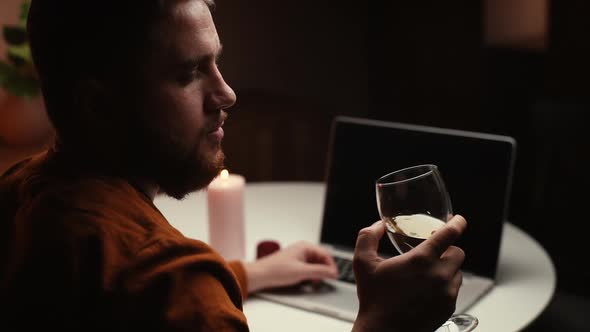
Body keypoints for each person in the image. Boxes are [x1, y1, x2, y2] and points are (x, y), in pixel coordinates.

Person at [0, 0, 467, 331]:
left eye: (216, 64)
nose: (227, 95)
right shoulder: (176, 287)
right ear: (98, 104)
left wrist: (248, 274)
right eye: (189, 73)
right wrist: (383, 324)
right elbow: (163, 290)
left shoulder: (18, 192)